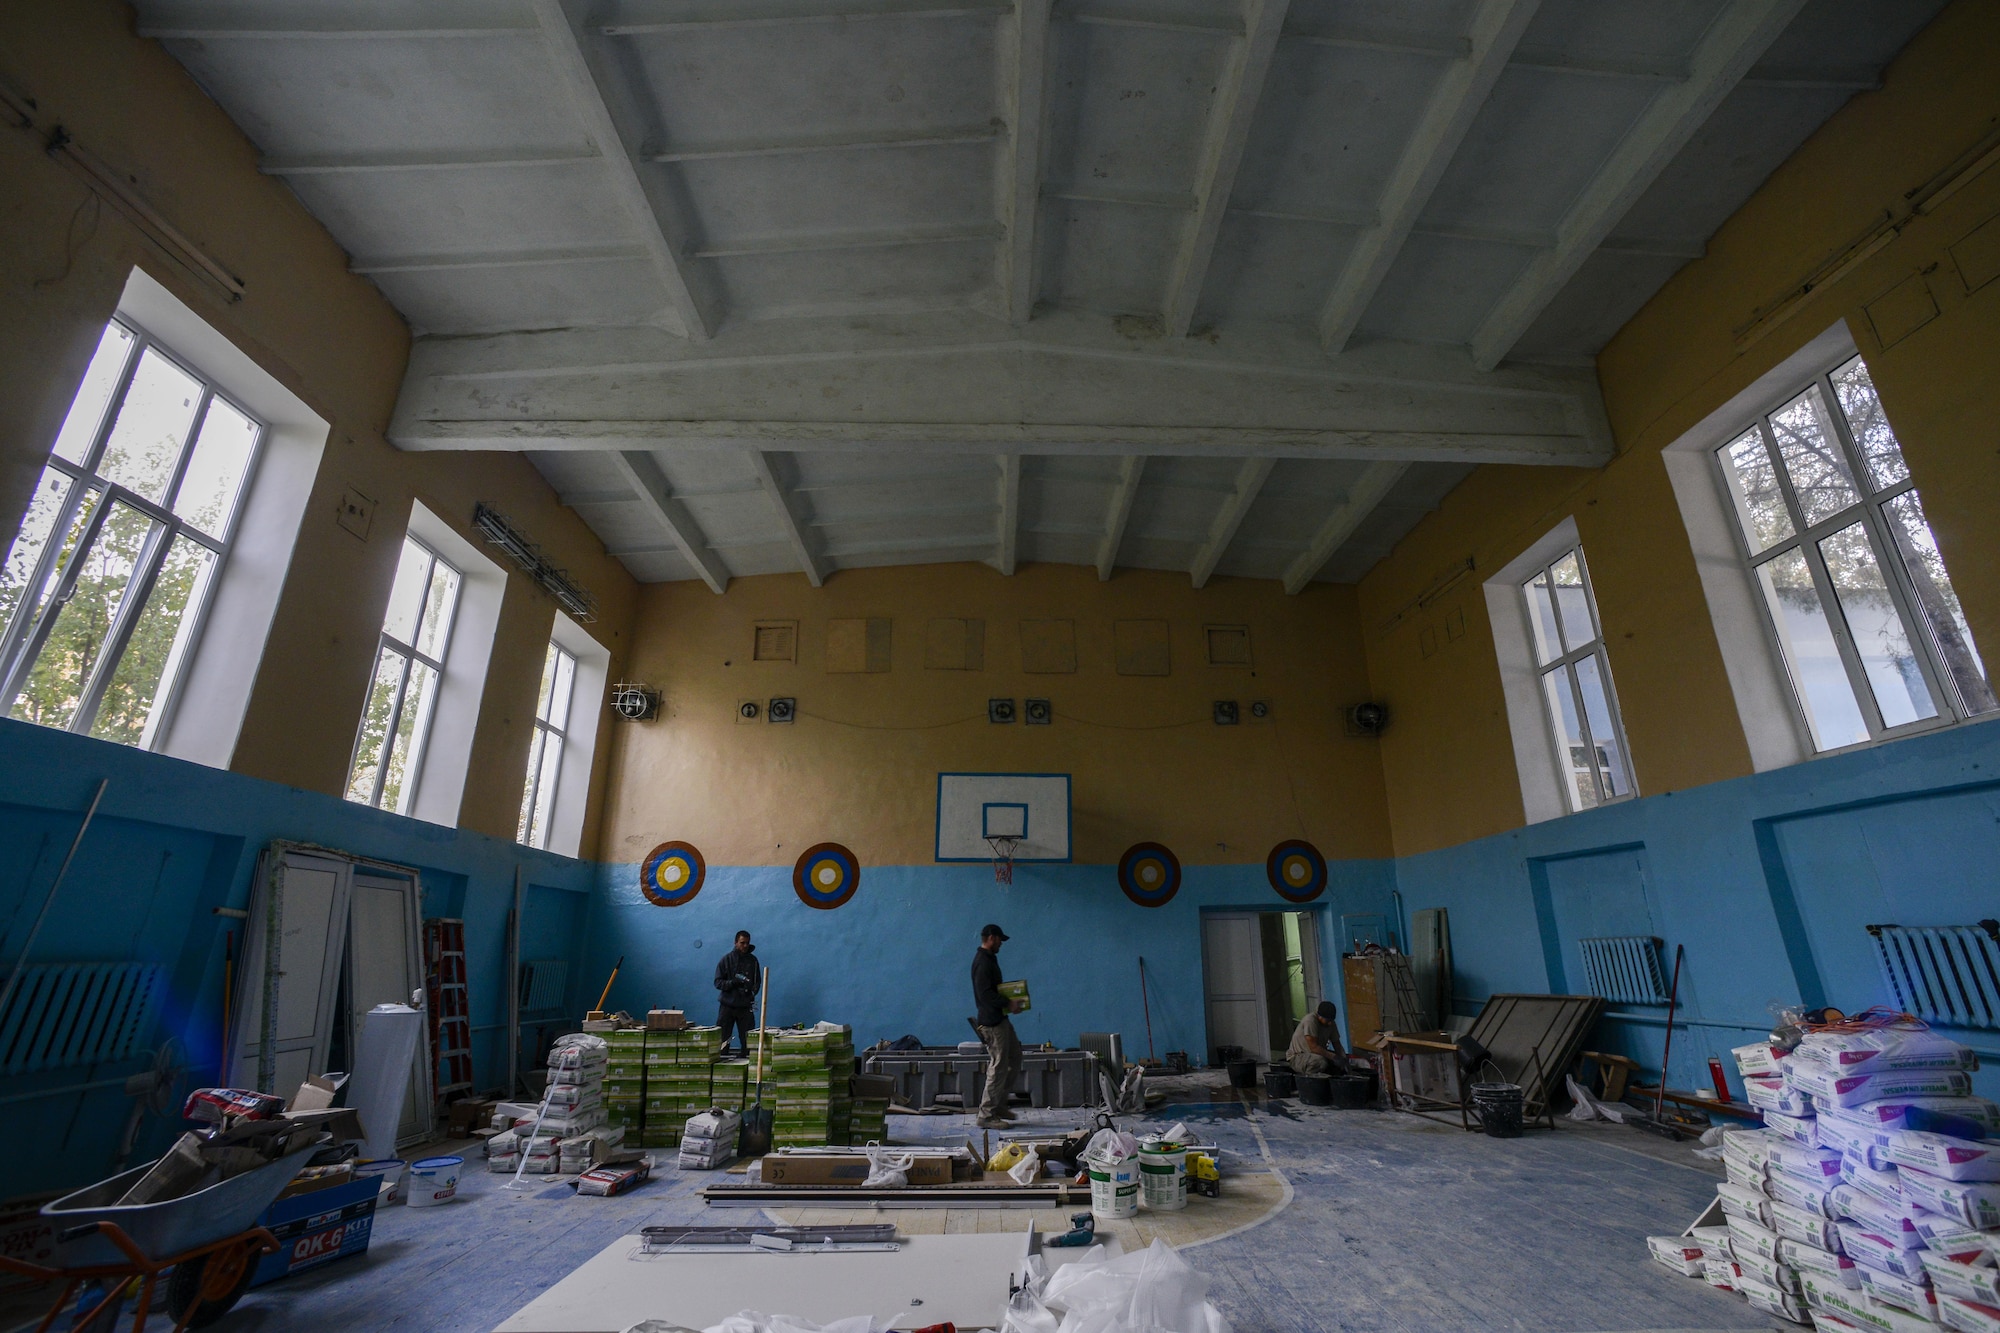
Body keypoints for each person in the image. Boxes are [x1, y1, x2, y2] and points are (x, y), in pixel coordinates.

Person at [971, 923, 1023, 1129]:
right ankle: (986, 1114)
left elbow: (993, 990)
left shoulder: (989, 959)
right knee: (998, 1065)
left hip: (1000, 1020)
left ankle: (999, 1104)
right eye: (1000, 939)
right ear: (991, 938)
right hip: (992, 1023)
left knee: (1015, 1056)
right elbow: (985, 995)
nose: (1001, 943)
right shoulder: (983, 963)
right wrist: (1008, 1003)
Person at [713, 930, 760, 1057]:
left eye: (747, 943)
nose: (745, 946)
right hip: (727, 1005)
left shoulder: (753, 961)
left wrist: (751, 992)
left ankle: (747, 1065)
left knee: (748, 1038)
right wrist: (732, 983)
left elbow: (758, 982)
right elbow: (717, 983)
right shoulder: (726, 960)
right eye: (742, 943)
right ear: (735, 943)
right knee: (723, 1037)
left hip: (745, 1006)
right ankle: (721, 1062)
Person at [1286, 1000, 1349, 1076]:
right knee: (1320, 1062)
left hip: (1316, 1055)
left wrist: (1344, 1059)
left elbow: (1337, 1045)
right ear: (1319, 1016)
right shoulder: (1310, 1021)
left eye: (1332, 1020)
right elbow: (1314, 1048)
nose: (1330, 1023)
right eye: (1328, 1020)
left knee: (1336, 1062)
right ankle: (1309, 1079)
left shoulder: (1331, 1023)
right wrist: (1334, 1057)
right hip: (1298, 1057)